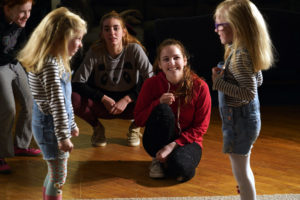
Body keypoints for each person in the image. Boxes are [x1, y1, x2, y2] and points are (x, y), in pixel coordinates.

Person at [17, 7, 86, 200]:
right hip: (50, 126)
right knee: (59, 177)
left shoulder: (56, 60)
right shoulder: (49, 65)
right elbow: (56, 103)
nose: (80, 45)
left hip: (51, 124)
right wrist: (63, 136)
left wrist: (71, 124)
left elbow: (66, 98)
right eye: (77, 39)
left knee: (54, 172)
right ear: (62, 39)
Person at [211, 0, 274, 199]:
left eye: (219, 26)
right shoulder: (244, 52)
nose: (216, 30)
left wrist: (218, 83)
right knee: (243, 169)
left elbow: (248, 93)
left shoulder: (239, 56)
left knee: (241, 173)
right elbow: (258, 80)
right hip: (246, 122)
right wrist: (227, 76)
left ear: (236, 27)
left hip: (240, 123)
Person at [72, 10, 153, 147]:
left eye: (116, 28)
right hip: (103, 104)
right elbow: (77, 82)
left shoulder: (134, 50)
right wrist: (102, 97)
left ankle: (135, 126)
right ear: (102, 33)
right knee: (71, 97)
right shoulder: (95, 51)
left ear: (124, 31)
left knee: (159, 97)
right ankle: (97, 128)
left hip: (131, 105)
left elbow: (152, 81)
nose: (112, 33)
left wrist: (127, 99)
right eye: (107, 29)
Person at [134, 39, 211, 182]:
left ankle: (171, 160)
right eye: (166, 59)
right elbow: (138, 119)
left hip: (189, 141)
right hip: (157, 140)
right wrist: (157, 103)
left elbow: (201, 127)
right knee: (163, 109)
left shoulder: (200, 87)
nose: (171, 63)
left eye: (176, 58)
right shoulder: (151, 84)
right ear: (159, 64)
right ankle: (157, 159)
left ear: (185, 60)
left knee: (181, 171)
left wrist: (172, 146)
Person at [0, 0, 41, 174]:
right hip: (0, 66)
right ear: (7, 8)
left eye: (29, 11)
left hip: (14, 63)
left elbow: (21, 44)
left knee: (30, 101)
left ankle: (21, 145)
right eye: (22, 12)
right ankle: (1, 154)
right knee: (8, 109)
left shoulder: (20, 21)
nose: (27, 16)